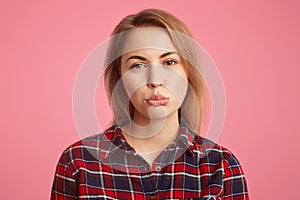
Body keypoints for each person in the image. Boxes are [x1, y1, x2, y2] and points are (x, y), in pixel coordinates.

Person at [51, 9, 249, 200]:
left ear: (189, 72)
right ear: (120, 78)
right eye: (138, 65)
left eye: (170, 62)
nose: (155, 80)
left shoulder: (221, 166)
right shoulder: (78, 162)